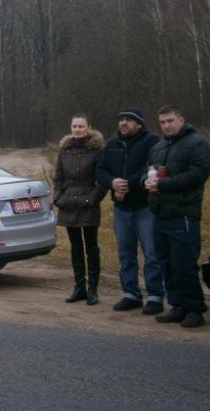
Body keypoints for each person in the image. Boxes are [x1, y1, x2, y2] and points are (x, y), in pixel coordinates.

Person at [144, 105, 210, 328]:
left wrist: (162, 184)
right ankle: (177, 305)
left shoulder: (197, 144)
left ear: (181, 120)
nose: (166, 125)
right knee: (166, 264)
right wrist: (147, 181)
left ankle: (195, 309)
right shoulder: (159, 146)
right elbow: (150, 170)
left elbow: (198, 175)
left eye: (170, 121)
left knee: (184, 265)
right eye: (162, 122)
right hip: (159, 214)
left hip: (183, 214)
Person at [96, 107, 165, 315]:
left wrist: (129, 184)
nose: (124, 123)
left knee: (152, 253)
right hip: (120, 209)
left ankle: (155, 295)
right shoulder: (112, 145)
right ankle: (131, 294)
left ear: (139, 124)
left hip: (145, 207)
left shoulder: (151, 142)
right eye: (121, 120)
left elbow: (154, 168)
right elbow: (100, 170)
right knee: (125, 254)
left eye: (129, 120)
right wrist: (113, 182)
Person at [54, 114, 107, 305]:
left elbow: (102, 180)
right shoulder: (64, 150)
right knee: (75, 247)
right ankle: (79, 287)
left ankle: (93, 289)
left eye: (81, 126)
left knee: (91, 247)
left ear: (88, 127)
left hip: (87, 203)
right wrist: (57, 197)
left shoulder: (97, 150)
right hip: (68, 202)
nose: (77, 129)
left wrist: (92, 199)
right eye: (74, 126)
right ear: (71, 128)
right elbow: (58, 177)